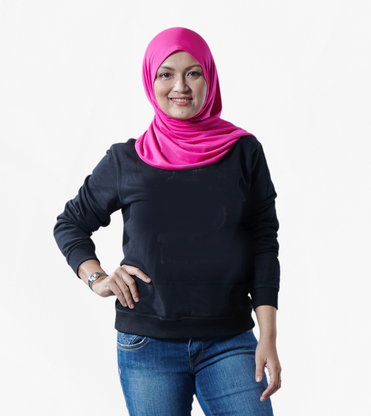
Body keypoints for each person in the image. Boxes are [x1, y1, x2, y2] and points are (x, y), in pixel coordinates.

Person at [54, 27, 281, 416]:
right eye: (166, 74)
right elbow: (70, 223)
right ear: (150, 80)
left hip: (229, 340)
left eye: (193, 73)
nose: (181, 86)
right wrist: (97, 279)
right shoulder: (126, 160)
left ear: (209, 77)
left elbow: (264, 242)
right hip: (147, 345)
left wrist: (269, 337)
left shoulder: (243, 152)